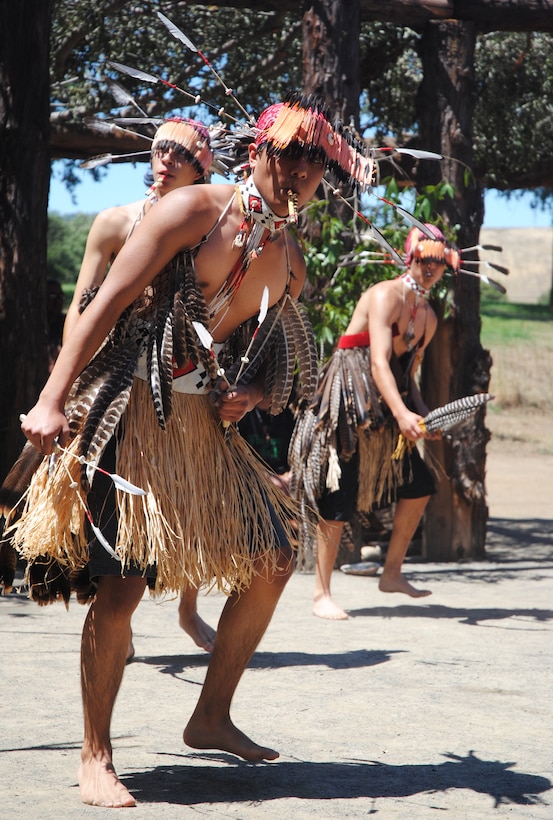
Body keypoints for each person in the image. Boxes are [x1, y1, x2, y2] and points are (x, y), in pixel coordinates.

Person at [9, 95, 372, 808]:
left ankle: (210, 716)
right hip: (133, 412)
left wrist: (255, 394)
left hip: (206, 428)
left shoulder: (289, 261)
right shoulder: (193, 212)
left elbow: (279, 353)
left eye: (317, 163)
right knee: (123, 586)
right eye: (291, 154)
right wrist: (53, 397)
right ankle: (95, 754)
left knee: (271, 559)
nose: (302, 172)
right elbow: (106, 301)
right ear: (259, 152)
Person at [64, 117, 217, 655]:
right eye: (160, 149)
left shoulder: (211, 233)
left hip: (185, 384)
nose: (167, 159)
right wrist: (66, 380)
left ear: (207, 169)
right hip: (113, 379)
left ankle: (188, 610)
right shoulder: (113, 222)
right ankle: (113, 619)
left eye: (182, 154)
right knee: (107, 508)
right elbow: (81, 307)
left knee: (196, 500)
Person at [289, 223, 458, 620]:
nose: (430, 269)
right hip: (348, 399)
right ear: (411, 257)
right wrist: (401, 413)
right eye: (425, 260)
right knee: (339, 494)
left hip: (386, 404)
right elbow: (378, 360)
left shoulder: (429, 318)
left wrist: (424, 416)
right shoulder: (385, 295)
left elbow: (406, 375)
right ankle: (321, 593)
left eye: (438, 263)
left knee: (420, 483)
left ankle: (392, 573)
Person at [46, 278, 67, 371]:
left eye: (61, 296)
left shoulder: (65, 322)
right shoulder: (35, 326)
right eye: (53, 296)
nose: (58, 301)